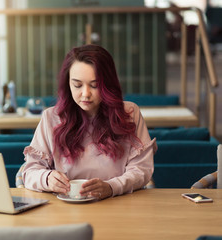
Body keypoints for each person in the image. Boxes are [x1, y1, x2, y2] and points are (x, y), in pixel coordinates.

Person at [22, 44, 157, 200]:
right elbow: (29, 172)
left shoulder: (129, 114)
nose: (85, 94)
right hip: (65, 211)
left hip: (118, 206)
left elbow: (141, 170)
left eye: (95, 85)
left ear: (108, 85)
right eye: (77, 85)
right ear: (68, 84)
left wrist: (112, 187)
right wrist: (47, 179)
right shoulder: (51, 118)